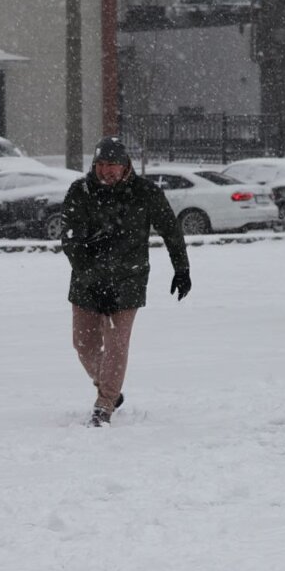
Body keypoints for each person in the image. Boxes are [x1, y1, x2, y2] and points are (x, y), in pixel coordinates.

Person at [61, 136, 191, 427]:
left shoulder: (144, 192)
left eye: (113, 165)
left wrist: (181, 269)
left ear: (125, 166)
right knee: (83, 344)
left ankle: (104, 403)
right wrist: (94, 281)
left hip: (128, 279)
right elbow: (71, 241)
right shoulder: (80, 191)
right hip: (86, 280)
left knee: (117, 345)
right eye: (101, 165)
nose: (106, 171)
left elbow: (170, 229)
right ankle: (109, 385)